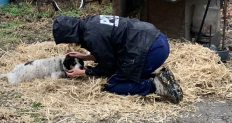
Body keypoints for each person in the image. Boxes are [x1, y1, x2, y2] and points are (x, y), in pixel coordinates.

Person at [53, 15, 183, 104]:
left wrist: (83, 72)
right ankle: (159, 78)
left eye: (65, 41)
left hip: (151, 50)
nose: (68, 44)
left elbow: (108, 66)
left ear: (69, 35)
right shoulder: (90, 22)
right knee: (123, 72)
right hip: (156, 38)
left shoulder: (92, 37)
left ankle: (155, 85)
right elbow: (110, 48)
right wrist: (86, 57)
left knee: (113, 84)